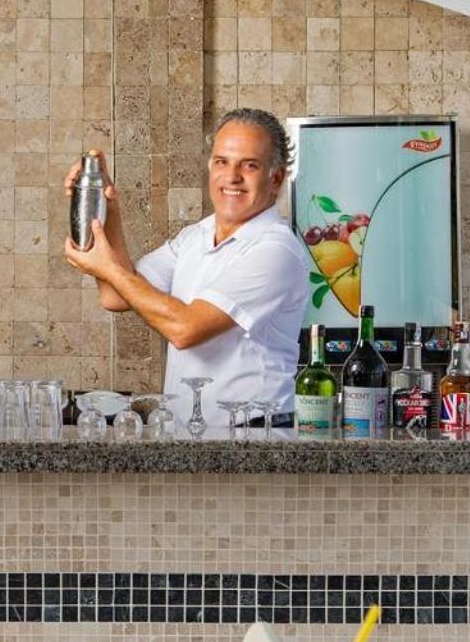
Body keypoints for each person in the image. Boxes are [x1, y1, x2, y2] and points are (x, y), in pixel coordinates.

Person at [62, 108, 310, 424]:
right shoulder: (196, 237)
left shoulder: (276, 251)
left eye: (249, 165)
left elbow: (185, 329)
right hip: (193, 436)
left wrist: (106, 268)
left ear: (276, 178)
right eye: (221, 162)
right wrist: (105, 206)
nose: (232, 176)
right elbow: (116, 294)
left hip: (253, 437)